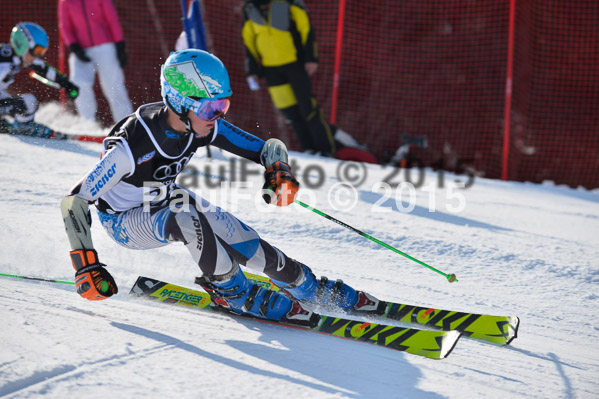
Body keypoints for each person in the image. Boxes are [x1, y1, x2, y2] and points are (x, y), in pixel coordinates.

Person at [60, 49, 383, 324]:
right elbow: (75, 201)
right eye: (210, 109)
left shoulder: (200, 125)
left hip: (164, 199)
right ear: (178, 100)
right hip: (123, 221)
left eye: (222, 107)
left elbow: (266, 147)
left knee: (235, 233)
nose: (217, 117)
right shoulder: (132, 146)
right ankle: (234, 292)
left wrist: (278, 170)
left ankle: (306, 285)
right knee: (186, 213)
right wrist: (86, 265)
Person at [241, 0, 376, 163]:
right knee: (290, 113)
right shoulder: (249, 8)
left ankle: (326, 150)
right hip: (271, 70)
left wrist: (311, 58)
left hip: (295, 64)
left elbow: (306, 30)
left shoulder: (291, 4)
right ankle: (309, 149)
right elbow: (249, 43)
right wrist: (252, 71)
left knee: (308, 109)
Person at [58, 0, 133, 124]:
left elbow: (112, 19)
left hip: (105, 46)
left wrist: (120, 45)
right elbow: (64, 26)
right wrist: (74, 46)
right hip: (81, 48)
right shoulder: (66, 1)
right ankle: (89, 124)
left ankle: (127, 125)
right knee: (78, 83)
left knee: (114, 86)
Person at [0, 22, 79, 134]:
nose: (38, 56)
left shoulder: (14, 56)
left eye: (41, 52)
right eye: (36, 51)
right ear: (22, 44)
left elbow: (43, 68)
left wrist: (66, 84)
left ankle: (13, 126)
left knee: (25, 102)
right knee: (28, 102)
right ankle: (24, 128)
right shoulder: (4, 62)